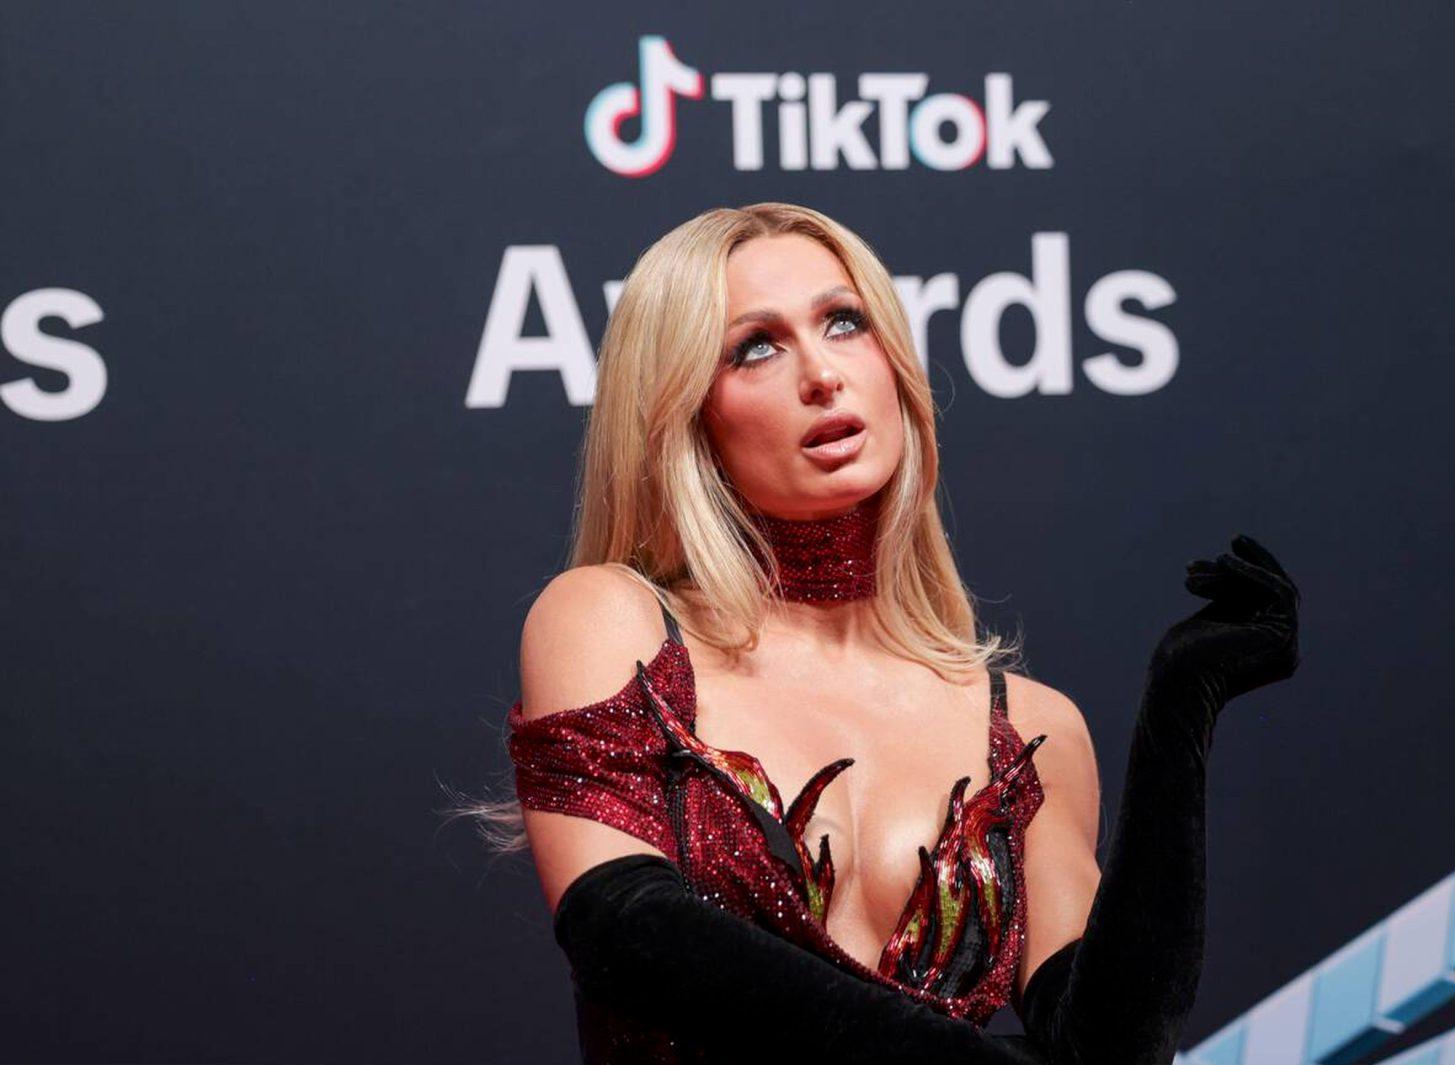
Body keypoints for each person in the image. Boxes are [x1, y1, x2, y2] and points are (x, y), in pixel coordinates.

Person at [476, 202, 1301, 1063]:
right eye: (755, 347)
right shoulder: (611, 620)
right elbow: (624, 926)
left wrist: (1182, 702)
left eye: (844, 322)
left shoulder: (1026, 730)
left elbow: (1114, 1049)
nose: (822, 373)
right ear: (683, 411)